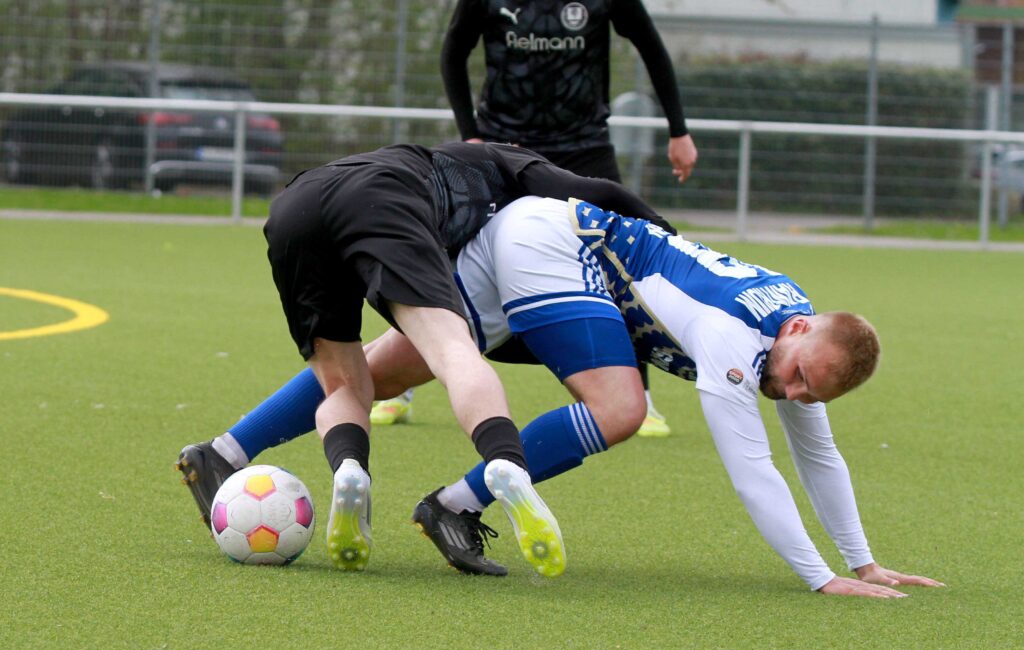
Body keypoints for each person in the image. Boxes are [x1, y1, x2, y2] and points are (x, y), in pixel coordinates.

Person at [181, 195, 945, 598]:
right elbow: (754, 470)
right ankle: (454, 504)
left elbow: (818, 453)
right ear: (799, 330)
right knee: (622, 408)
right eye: (800, 376)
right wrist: (820, 575)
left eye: (811, 391)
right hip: (557, 249)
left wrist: (863, 561)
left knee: (387, 369)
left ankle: (221, 453)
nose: (794, 391)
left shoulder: (794, 329)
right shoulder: (736, 341)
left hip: (532, 233)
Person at [176, 140, 672, 577]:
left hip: (295, 205)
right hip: (384, 200)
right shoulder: (516, 164)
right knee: (453, 350)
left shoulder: (442, 158)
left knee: (344, 383)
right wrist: (671, 245)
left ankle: (337, 467)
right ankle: (504, 462)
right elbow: (597, 191)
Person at [370, 0, 699, 436]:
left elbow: (651, 47)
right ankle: (400, 387)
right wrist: (470, 132)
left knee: (620, 268)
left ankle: (641, 395)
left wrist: (678, 130)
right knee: (452, 259)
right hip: (503, 149)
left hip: (585, 147)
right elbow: (453, 51)